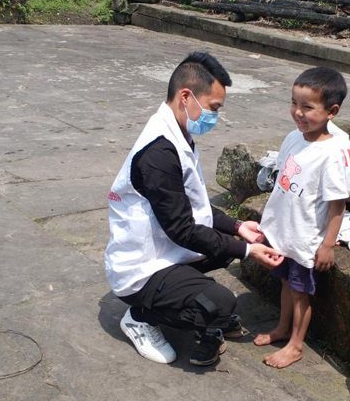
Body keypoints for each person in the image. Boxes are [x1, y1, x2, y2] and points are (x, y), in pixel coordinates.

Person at [105, 52, 283, 366]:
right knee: (220, 303)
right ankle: (141, 317)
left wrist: (237, 227)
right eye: (213, 108)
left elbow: (194, 205)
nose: (214, 116)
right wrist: (247, 251)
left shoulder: (178, 133)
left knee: (227, 245)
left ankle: (179, 298)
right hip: (140, 270)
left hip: (164, 248)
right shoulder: (159, 153)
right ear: (186, 97)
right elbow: (182, 229)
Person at [254, 67, 350, 369]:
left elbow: (337, 205)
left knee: (300, 294)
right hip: (284, 234)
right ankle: (283, 329)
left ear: (332, 111)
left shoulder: (330, 154)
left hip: (305, 240)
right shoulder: (293, 138)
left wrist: (328, 245)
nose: (298, 112)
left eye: (307, 107)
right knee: (286, 284)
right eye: (294, 103)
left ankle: (296, 345)